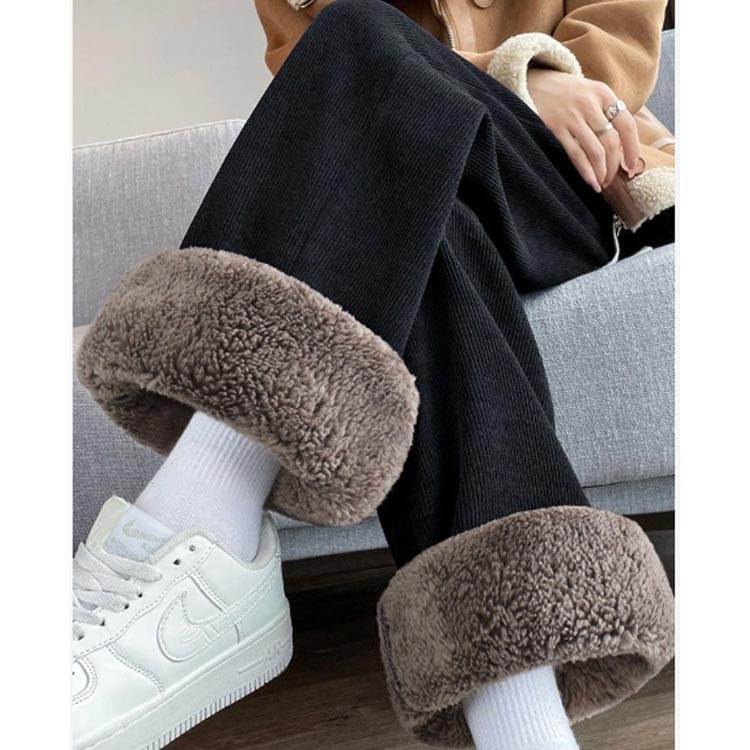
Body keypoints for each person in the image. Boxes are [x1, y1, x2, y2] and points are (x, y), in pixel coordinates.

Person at [71, 1, 675, 749]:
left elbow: (616, 40)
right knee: (418, 216)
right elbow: (315, 82)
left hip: (578, 168)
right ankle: (525, 731)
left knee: (363, 35)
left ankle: (194, 528)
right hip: (434, 178)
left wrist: (533, 77)